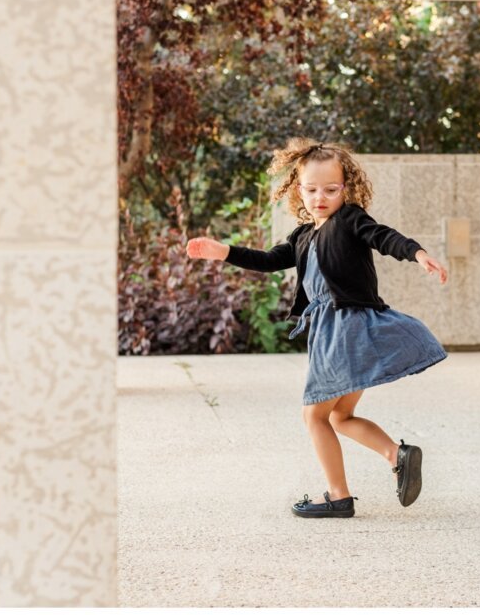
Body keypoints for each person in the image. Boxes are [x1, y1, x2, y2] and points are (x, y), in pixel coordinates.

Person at [186, 137, 449, 518]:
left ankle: (338, 497)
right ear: (298, 189)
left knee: (314, 416)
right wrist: (224, 251)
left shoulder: (350, 219)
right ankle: (398, 455)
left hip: (345, 329)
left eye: (330, 189)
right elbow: (269, 260)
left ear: (347, 188)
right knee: (339, 417)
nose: (320, 197)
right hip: (346, 333)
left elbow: (383, 237)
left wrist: (417, 253)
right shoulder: (303, 235)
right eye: (311, 190)